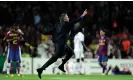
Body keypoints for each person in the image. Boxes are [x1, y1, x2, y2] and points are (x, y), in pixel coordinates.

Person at [36, 9, 88, 79]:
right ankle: (41, 69)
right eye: (67, 17)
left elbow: (45, 32)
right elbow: (76, 20)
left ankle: (59, 66)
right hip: (61, 45)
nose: (68, 18)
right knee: (55, 58)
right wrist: (83, 15)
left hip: (60, 44)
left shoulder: (55, 25)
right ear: (64, 19)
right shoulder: (66, 24)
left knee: (70, 52)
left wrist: (39, 29)